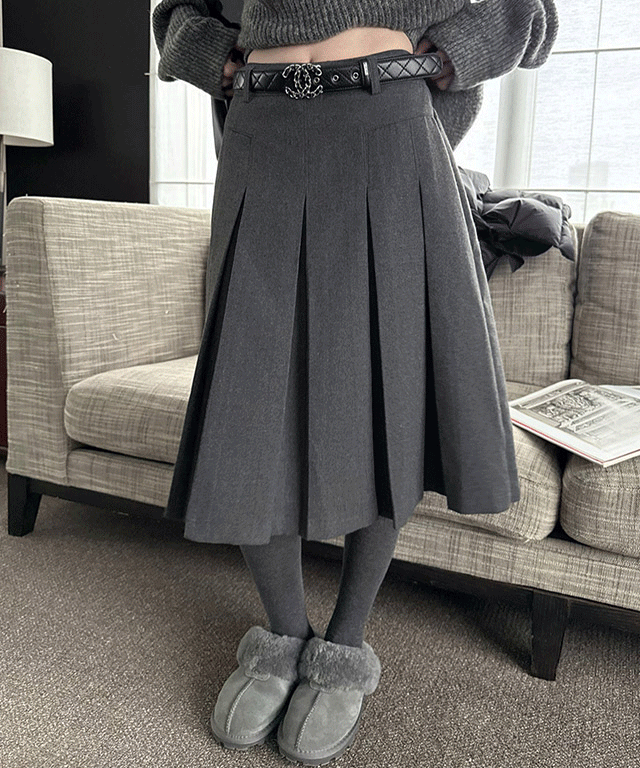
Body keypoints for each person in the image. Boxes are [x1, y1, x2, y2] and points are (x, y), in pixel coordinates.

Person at [152, 1, 558, 764]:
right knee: (249, 406)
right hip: (262, 131)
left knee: (387, 399)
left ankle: (344, 644)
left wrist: (449, 54)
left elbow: (528, 13)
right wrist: (218, 60)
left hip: (389, 126)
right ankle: (283, 634)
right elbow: (175, 12)